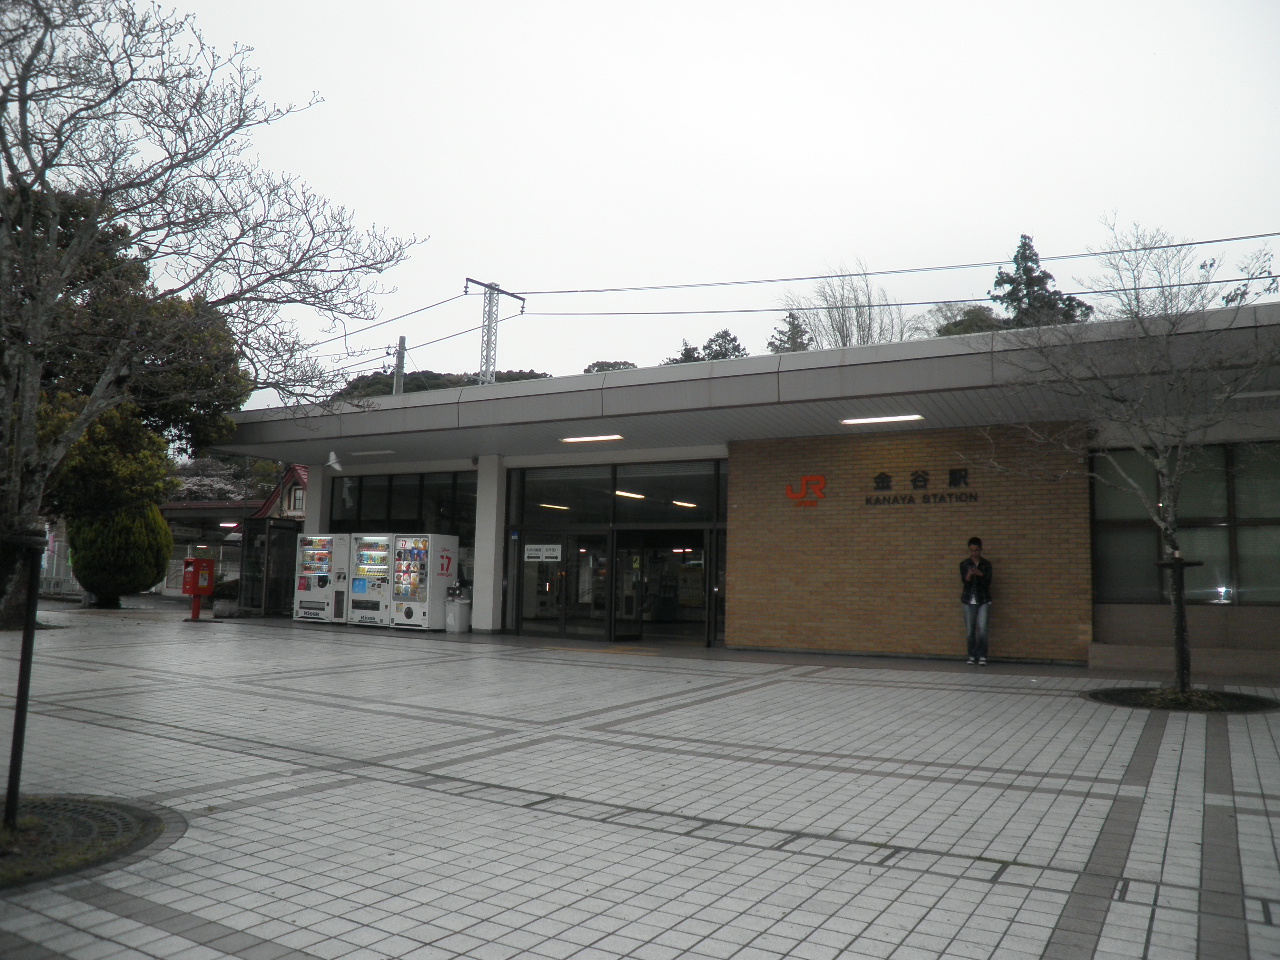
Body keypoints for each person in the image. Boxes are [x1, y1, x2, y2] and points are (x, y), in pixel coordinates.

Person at [960, 536, 992, 664]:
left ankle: (982, 655)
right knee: (970, 630)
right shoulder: (964, 564)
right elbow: (965, 582)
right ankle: (972, 655)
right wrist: (969, 575)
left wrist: (980, 574)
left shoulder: (986, 564)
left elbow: (988, 582)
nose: (974, 553)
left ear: (981, 549)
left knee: (983, 628)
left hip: (983, 599)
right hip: (969, 599)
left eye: (977, 550)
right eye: (972, 550)